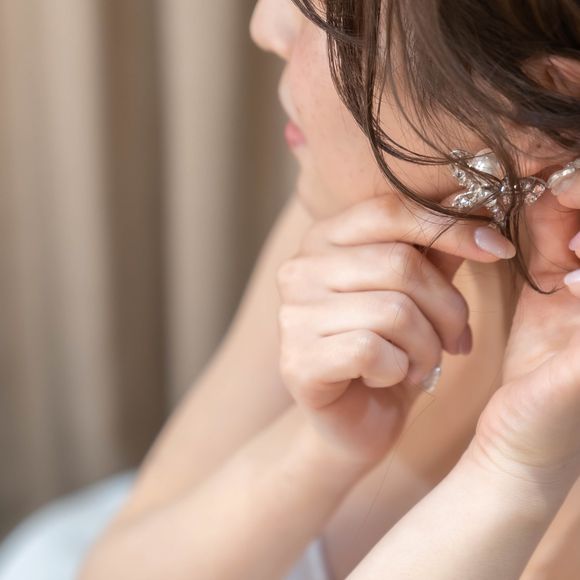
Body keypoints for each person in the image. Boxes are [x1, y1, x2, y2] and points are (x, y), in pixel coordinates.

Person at [76, 0, 580, 578]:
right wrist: (323, 447)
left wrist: (512, 475)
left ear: (542, 102)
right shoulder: (364, 217)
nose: (263, 27)